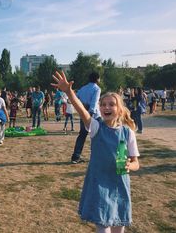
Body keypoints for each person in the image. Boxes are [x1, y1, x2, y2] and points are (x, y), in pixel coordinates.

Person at [52, 71, 140, 233]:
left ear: (119, 110)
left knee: (118, 226)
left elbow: (136, 163)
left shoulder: (128, 133)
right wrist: (69, 92)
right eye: (103, 104)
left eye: (111, 104)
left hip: (119, 185)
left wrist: (129, 165)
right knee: (103, 227)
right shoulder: (96, 127)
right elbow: (81, 110)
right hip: (99, 183)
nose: (106, 107)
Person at [71, 72, 101, 164]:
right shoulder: (97, 89)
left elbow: (76, 97)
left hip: (83, 113)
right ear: (97, 79)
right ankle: (96, 157)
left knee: (82, 135)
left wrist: (82, 107)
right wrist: (90, 113)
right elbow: (94, 102)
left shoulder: (83, 88)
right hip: (94, 115)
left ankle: (75, 157)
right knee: (98, 135)